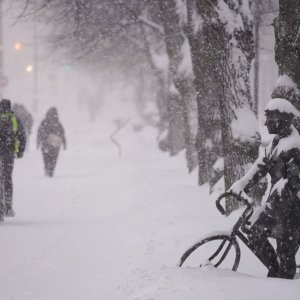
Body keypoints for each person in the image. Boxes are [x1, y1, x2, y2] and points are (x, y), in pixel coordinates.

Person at [228, 98, 300, 279]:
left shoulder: (294, 147)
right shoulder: (277, 142)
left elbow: (294, 183)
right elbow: (261, 166)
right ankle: (274, 273)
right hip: (278, 209)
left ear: (281, 120)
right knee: (253, 230)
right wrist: (242, 185)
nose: (266, 122)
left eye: (270, 118)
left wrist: (275, 195)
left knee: (286, 258)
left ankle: (283, 289)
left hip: (292, 213)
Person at [0, 99, 26, 218]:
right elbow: (21, 135)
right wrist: (20, 151)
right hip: (8, 153)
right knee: (7, 178)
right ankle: (8, 206)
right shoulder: (14, 118)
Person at [37, 107, 66, 177]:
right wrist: (64, 143)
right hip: (55, 145)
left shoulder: (44, 122)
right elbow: (62, 133)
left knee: (46, 158)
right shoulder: (58, 123)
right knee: (53, 158)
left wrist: (38, 142)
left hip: (46, 144)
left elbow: (39, 132)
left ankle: (47, 168)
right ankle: (51, 170)